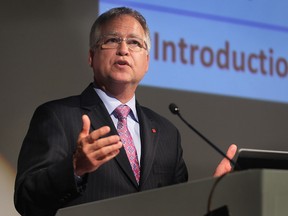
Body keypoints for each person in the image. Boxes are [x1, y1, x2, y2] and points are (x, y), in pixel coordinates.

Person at [14, 7, 237, 216]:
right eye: (112, 40)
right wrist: (75, 168)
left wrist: (211, 194)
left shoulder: (168, 133)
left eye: (134, 43)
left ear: (147, 61)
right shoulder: (57, 116)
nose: (123, 50)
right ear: (91, 56)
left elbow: (176, 208)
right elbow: (26, 200)